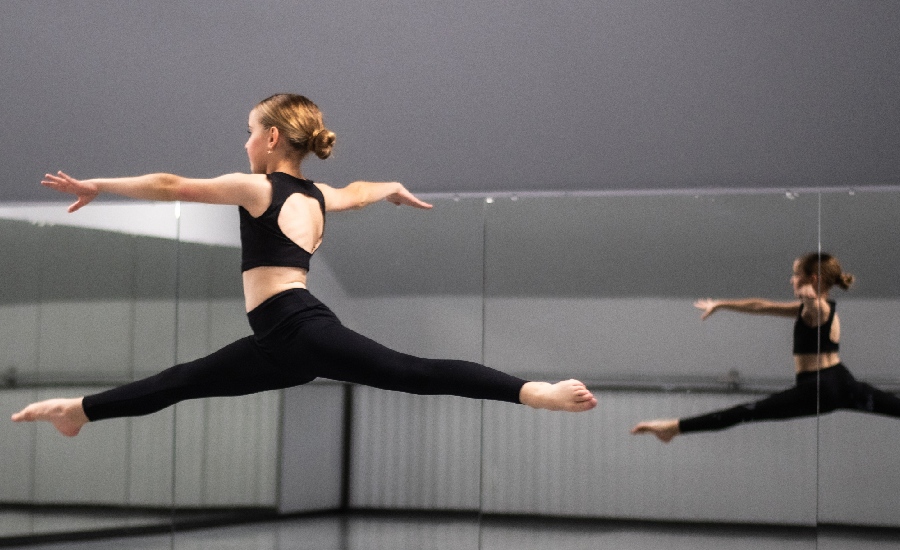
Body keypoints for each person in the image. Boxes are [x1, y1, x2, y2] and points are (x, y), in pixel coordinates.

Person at [12, 94, 597, 437]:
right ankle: (78, 411)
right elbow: (358, 192)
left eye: (248, 133)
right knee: (184, 381)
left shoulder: (258, 188)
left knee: (411, 371)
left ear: (270, 137)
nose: (244, 143)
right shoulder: (317, 195)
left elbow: (171, 184)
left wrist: (98, 184)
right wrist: (390, 186)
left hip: (298, 328)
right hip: (277, 341)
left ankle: (535, 392)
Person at [631, 252, 900, 443]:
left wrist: (811, 298)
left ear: (813, 279)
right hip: (841, 380)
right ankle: (673, 428)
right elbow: (761, 306)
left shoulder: (817, 308)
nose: (791, 280)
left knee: (748, 412)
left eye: (796, 275)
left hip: (819, 386)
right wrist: (722, 304)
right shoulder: (814, 308)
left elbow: (816, 306)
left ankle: (673, 428)